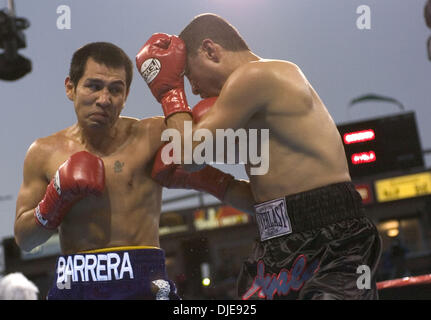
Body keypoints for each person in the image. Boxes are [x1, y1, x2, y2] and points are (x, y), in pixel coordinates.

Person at [136, 13, 382, 300]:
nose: (193, 89)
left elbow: (190, 154)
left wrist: (170, 92)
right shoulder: (252, 106)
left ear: (210, 50)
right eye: (184, 83)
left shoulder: (255, 76)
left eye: (189, 75)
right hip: (277, 243)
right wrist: (211, 181)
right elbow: (271, 207)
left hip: (334, 240)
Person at [14, 41, 251, 300]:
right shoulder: (43, 152)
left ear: (126, 96)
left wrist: (172, 96)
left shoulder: (153, 135)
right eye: (93, 86)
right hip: (77, 285)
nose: (104, 100)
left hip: (145, 283)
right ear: (70, 88)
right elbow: (25, 241)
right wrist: (55, 199)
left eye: (115, 90)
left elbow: (221, 164)